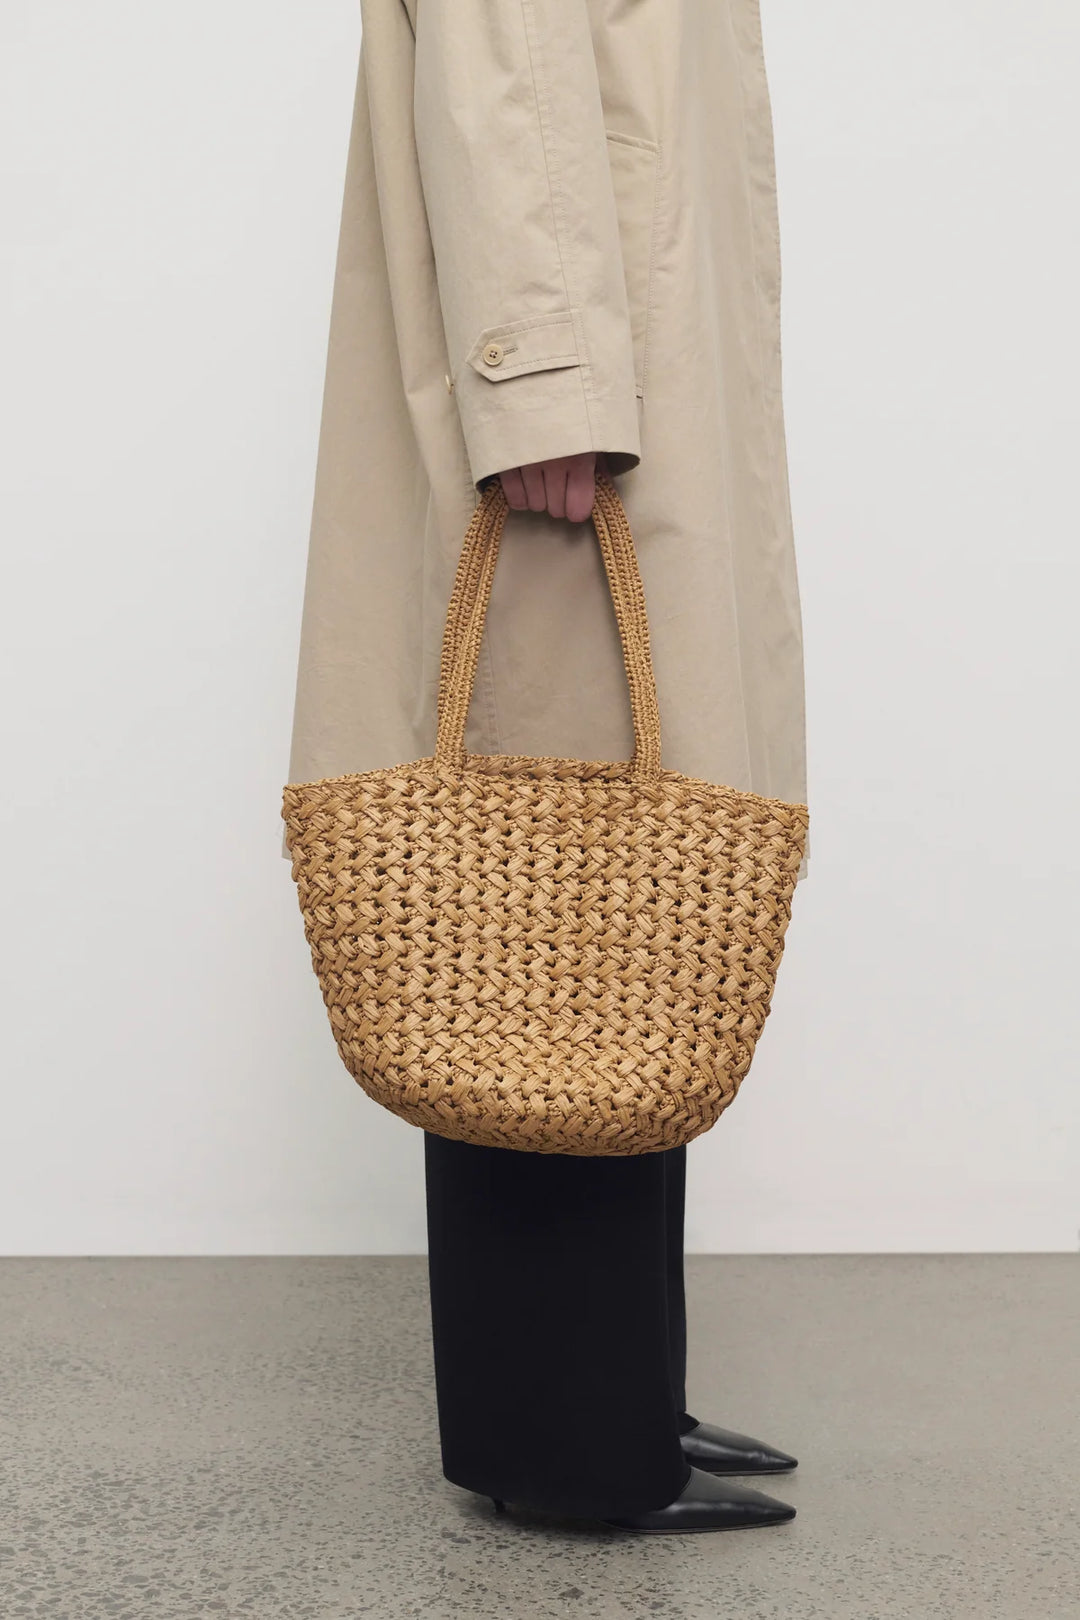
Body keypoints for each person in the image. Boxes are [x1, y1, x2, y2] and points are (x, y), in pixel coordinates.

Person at [285, 0, 809, 1532]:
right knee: (542, 910)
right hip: (578, 381)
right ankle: (577, 1448)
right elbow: (504, 53)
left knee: (610, 902)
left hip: (626, 330)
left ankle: (619, 1393)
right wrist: (548, 381)